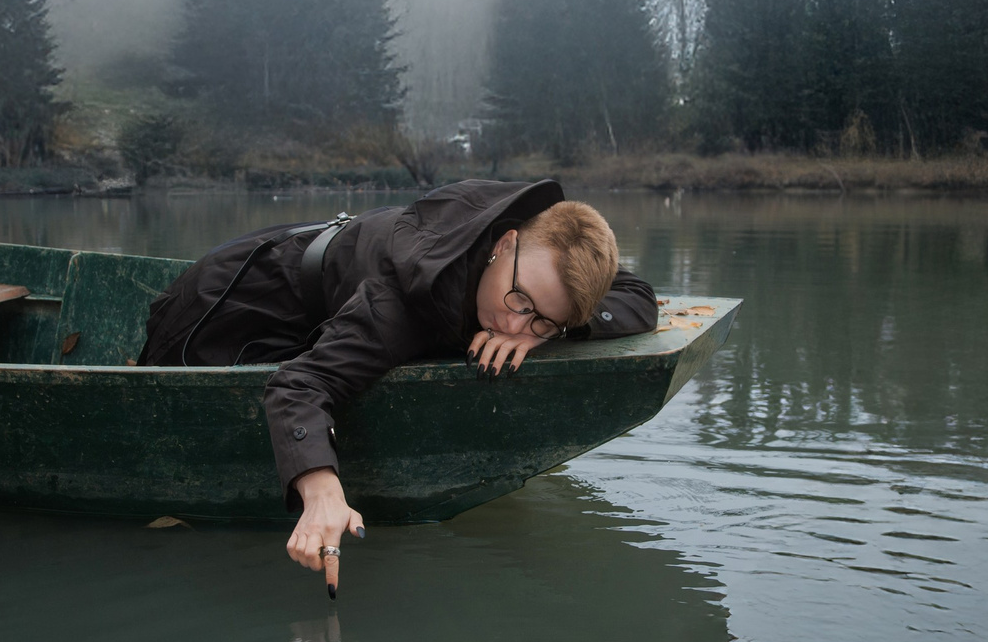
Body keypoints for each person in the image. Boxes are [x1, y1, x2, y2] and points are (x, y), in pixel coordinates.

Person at [138, 178, 657, 591]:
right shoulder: (398, 310)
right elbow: (296, 386)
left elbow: (639, 294)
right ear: (504, 242)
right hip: (226, 313)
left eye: (542, 321)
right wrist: (321, 491)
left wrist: (558, 328)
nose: (515, 326)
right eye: (519, 302)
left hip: (324, 286)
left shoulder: (537, 248)